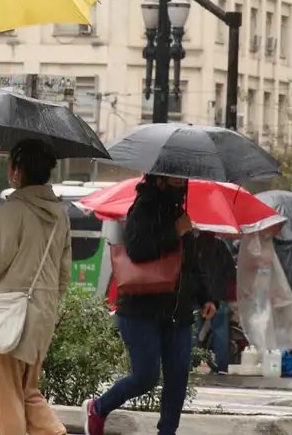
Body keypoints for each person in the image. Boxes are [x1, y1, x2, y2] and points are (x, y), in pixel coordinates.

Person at [85, 176, 215, 435]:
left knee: (178, 377)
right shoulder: (142, 207)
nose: (181, 182)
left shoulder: (180, 212)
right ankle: (98, 408)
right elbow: (137, 249)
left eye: (183, 179)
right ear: (160, 180)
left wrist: (206, 297)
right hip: (141, 310)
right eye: (176, 178)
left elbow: (190, 263)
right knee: (145, 377)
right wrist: (174, 232)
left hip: (177, 311)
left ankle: (167, 432)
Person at [0, 139, 71, 435]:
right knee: (27, 392)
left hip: (11, 315)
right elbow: (63, 274)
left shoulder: (14, 210)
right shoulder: (60, 214)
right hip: (41, 316)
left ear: (16, 171)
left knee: (3, 398)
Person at [194, 232, 236, 374]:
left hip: (196, 296)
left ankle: (190, 365)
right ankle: (222, 367)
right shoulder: (220, 246)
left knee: (194, 331)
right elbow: (231, 271)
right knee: (220, 331)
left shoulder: (193, 246)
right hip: (218, 296)